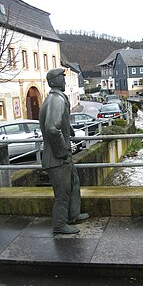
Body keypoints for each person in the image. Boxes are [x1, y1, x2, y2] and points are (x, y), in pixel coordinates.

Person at [39, 68, 89, 234]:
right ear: (53, 82)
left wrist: (70, 130)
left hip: (61, 155)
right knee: (62, 193)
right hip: (57, 157)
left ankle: (73, 215)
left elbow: (59, 124)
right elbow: (52, 128)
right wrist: (62, 152)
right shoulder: (56, 100)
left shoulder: (56, 98)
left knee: (73, 182)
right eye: (62, 78)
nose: (65, 81)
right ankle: (60, 225)